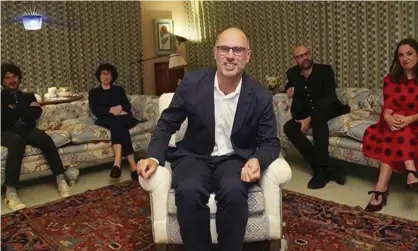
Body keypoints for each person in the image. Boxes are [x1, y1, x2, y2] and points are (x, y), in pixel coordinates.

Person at [137, 28, 280, 251]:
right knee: (188, 190)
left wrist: (258, 161)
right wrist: (154, 157)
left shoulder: (260, 95)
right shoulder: (193, 83)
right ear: (215, 52)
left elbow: (270, 142)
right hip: (194, 155)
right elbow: (167, 124)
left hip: (235, 158)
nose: (230, 55)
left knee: (234, 192)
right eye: (224, 49)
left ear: (248, 56)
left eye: (238, 50)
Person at [1, 63, 78, 211]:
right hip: (5, 131)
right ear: (3, 81)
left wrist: (15, 109)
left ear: (19, 78)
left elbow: (36, 113)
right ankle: (10, 193)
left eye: (14, 77)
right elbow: (4, 119)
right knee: (17, 141)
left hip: (26, 129)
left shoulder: (28, 95)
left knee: (45, 138)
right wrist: (25, 109)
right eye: (7, 77)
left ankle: (61, 180)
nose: (11, 80)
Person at [362, 38, 418, 212]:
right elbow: (388, 105)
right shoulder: (391, 79)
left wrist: (408, 119)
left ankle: (380, 190)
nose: (405, 58)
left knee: (400, 130)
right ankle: (410, 169)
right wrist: (387, 117)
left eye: (409, 53)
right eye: (400, 55)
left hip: (415, 121)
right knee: (394, 129)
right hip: (394, 120)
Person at [283, 46, 350, 189]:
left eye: (306, 54)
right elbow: (290, 85)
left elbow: (329, 97)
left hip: (329, 108)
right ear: (295, 60)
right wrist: (289, 89)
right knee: (288, 127)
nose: (305, 57)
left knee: (318, 118)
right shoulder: (292, 73)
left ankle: (320, 174)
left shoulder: (325, 70)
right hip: (306, 112)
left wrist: (310, 118)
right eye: (300, 56)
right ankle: (326, 169)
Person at [88, 63, 139, 180]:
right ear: (99, 76)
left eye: (109, 74)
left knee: (118, 122)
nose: (106, 76)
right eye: (103, 73)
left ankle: (117, 163)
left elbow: (127, 104)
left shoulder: (119, 90)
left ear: (112, 76)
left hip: (123, 117)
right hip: (107, 119)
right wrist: (111, 110)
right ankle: (133, 166)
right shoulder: (94, 92)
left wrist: (120, 108)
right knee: (119, 124)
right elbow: (95, 109)